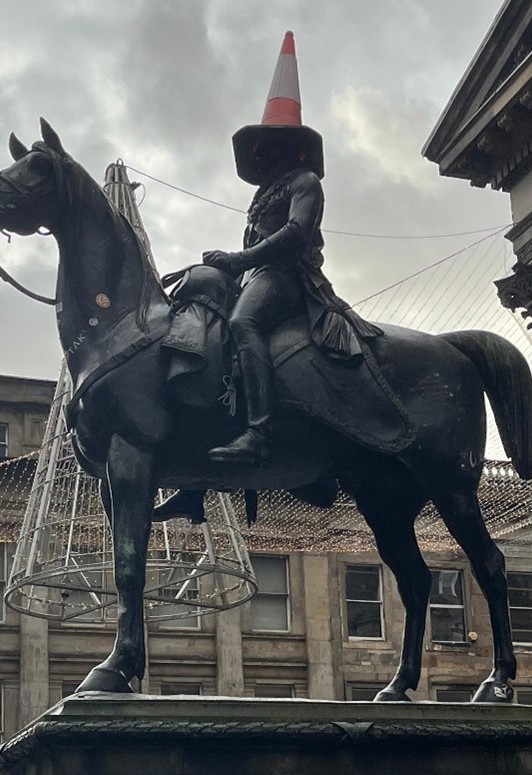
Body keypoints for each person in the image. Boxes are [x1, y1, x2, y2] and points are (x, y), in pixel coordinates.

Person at [204, 31, 379, 465]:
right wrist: (227, 267)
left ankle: (260, 432)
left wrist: (239, 259)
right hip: (257, 275)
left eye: (271, 143)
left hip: (287, 278)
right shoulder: (265, 192)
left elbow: (296, 234)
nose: (263, 153)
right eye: (261, 146)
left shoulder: (305, 183)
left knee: (244, 323)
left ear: (289, 146)